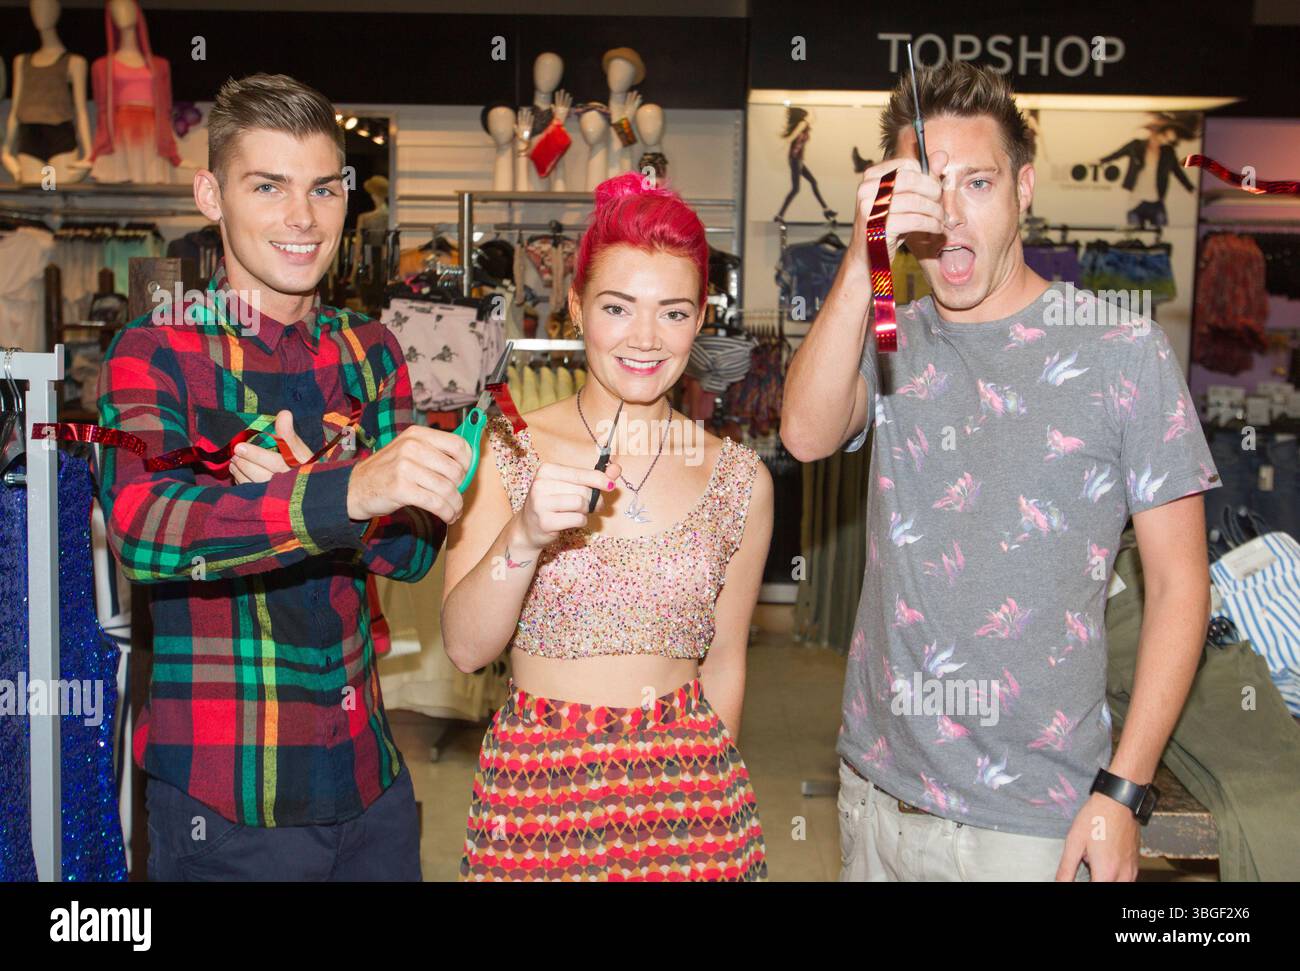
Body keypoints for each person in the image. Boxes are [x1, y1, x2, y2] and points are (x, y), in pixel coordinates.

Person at [781, 61, 1220, 882]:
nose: (949, 218)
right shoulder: (890, 335)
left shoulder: (1120, 351)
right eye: (927, 188)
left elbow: (1181, 584)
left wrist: (1123, 792)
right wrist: (861, 253)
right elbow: (804, 433)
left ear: (1023, 188)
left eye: (976, 183)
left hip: (1030, 825)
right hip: (874, 795)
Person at [97, 73, 472, 881]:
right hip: (227, 795)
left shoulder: (371, 348)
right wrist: (347, 491)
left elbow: (411, 553)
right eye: (268, 187)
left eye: (323, 189)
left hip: (369, 778)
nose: (303, 219)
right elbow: (144, 529)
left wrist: (321, 492)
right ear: (211, 194)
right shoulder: (156, 350)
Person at [443, 172, 773, 881]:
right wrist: (524, 536)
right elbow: (466, 647)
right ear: (576, 306)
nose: (646, 338)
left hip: (691, 801)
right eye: (619, 307)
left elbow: (724, 665)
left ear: (700, 319)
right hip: (537, 797)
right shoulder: (504, 447)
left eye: (674, 312)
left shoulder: (741, 478)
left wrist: (702, 807)